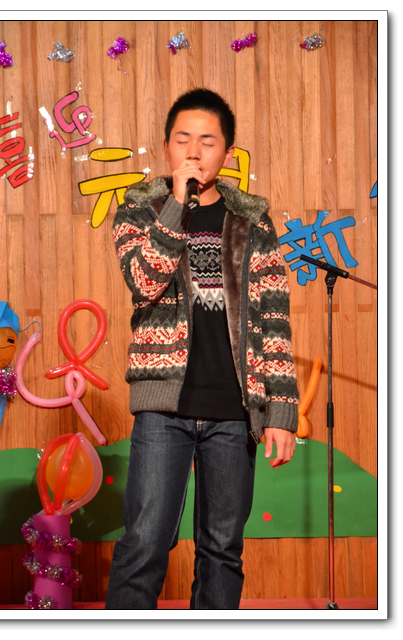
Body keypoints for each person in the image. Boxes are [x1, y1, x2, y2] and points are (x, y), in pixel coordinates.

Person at [105, 88, 299, 610]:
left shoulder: (253, 222)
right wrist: (176, 204)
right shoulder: (139, 211)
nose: (194, 151)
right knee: (144, 544)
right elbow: (145, 280)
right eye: (182, 139)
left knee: (222, 551)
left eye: (207, 142)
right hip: (164, 409)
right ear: (166, 146)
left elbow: (273, 319)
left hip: (234, 411)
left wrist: (280, 410)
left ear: (227, 153)